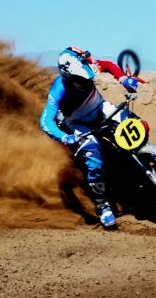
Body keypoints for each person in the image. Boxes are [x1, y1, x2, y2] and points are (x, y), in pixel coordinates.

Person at [39, 45, 141, 230]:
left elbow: (109, 65)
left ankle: (142, 165)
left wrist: (124, 79)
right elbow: (45, 120)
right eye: (80, 78)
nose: (87, 78)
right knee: (93, 158)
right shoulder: (58, 89)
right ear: (69, 74)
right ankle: (103, 206)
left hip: (101, 108)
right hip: (78, 122)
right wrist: (64, 137)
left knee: (137, 125)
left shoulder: (89, 65)